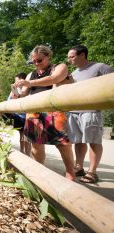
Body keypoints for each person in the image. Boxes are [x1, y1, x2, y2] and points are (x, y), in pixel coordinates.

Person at [15, 45, 75, 181]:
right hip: (34, 112)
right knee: (36, 144)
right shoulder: (31, 74)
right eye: (34, 61)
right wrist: (17, 91)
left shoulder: (59, 67)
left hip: (55, 111)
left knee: (63, 144)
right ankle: (38, 172)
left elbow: (54, 79)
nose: (36, 64)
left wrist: (29, 82)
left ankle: (70, 174)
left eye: (39, 60)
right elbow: (24, 93)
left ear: (48, 56)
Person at [66, 45, 114, 183]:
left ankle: (92, 172)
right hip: (74, 112)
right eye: (68, 57)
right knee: (78, 141)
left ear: (83, 55)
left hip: (91, 111)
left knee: (93, 140)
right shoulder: (73, 74)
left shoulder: (100, 67)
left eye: (72, 56)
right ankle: (79, 167)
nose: (69, 59)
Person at [4, 73, 31, 155]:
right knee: (22, 134)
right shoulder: (14, 90)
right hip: (18, 115)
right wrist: (12, 95)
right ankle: (22, 151)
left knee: (25, 135)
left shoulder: (28, 88)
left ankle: (27, 153)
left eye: (17, 81)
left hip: (26, 115)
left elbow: (25, 97)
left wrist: (19, 95)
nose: (16, 83)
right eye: (15, 81)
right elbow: (9, 101)